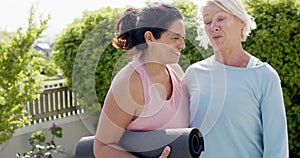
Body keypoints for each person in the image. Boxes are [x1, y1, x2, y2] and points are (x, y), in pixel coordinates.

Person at [183, 0, 289, 157]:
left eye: (221, 18)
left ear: (241, 22)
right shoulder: (193, 74)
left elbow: (277, 148)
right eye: (207, 22)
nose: (214, 27)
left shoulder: (264, 76)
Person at [93, 3, 189, 158]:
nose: (182, 45)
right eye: (175, 38)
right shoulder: (130, 83)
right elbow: (102, 147)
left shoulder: (176, 71)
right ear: (149, 38)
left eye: (183, 38)